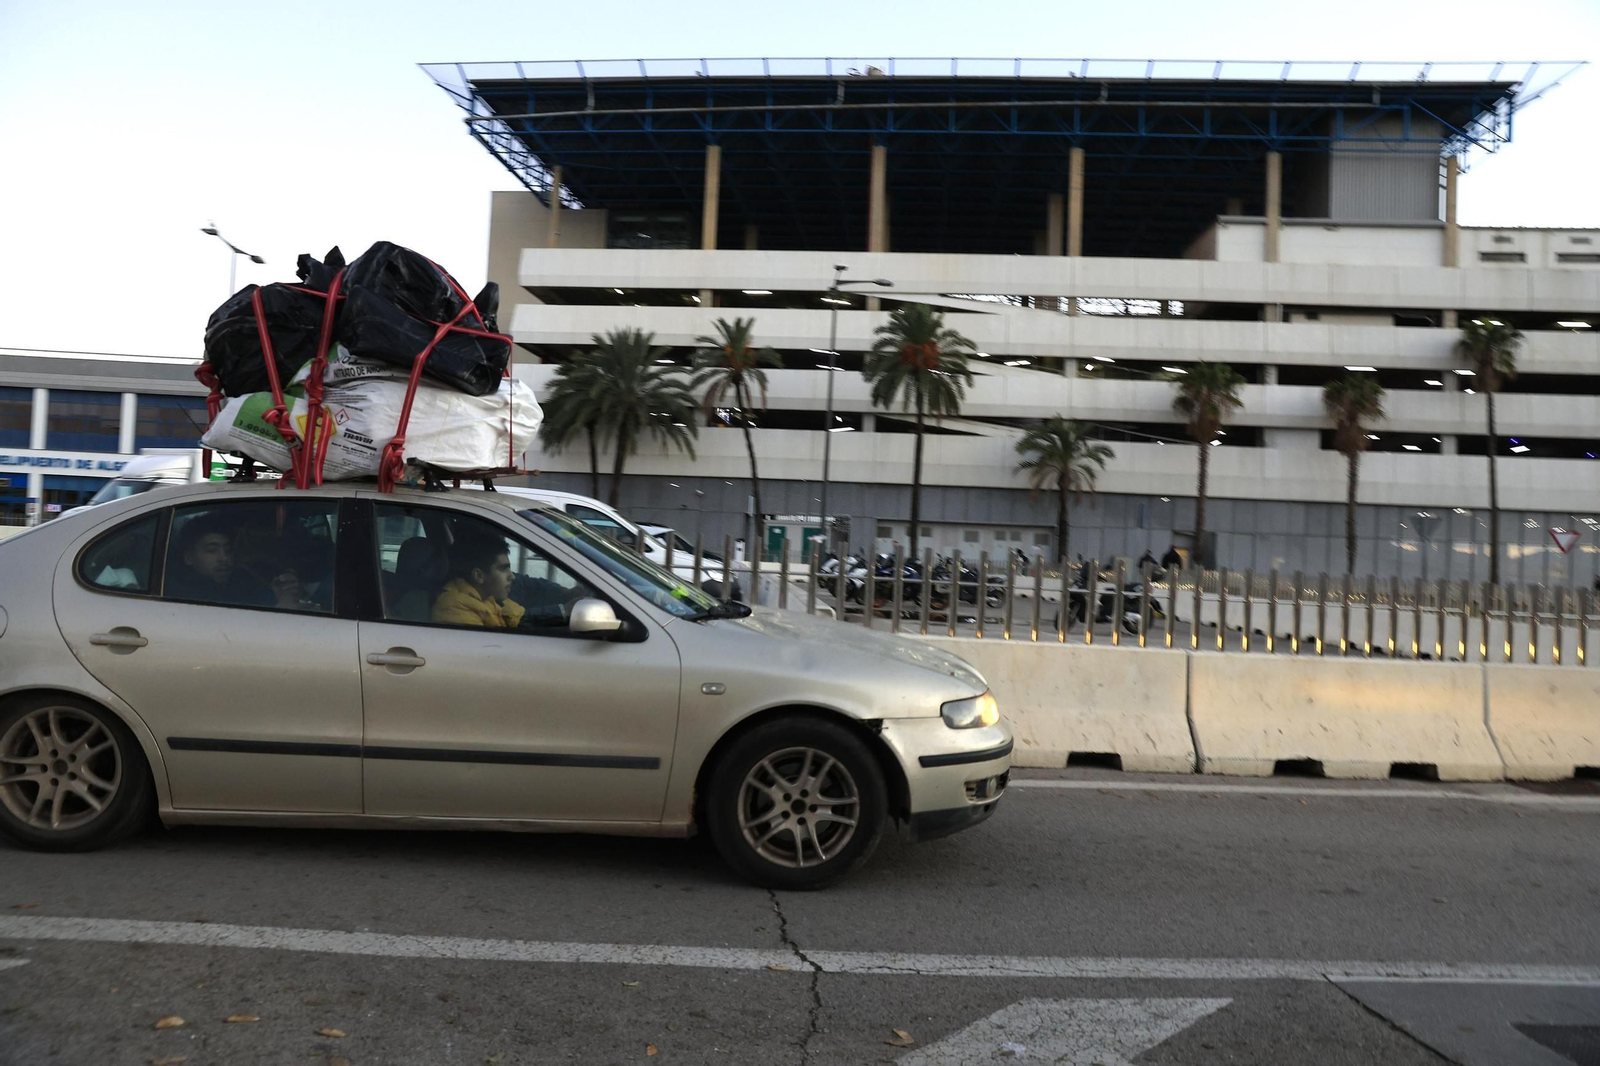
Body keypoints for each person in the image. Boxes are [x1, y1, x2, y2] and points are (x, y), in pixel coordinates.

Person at [166, 513, 273, 607]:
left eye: (228, 550)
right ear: (189, 558)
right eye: (211, 550)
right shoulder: (179, 597)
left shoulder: (245, 581)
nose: (224, 558)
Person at [432, 532, 526, 628]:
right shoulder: (454, 608)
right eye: (503, 569)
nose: (512, 576)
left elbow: (517, 617)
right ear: (479, 576)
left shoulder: (487, 597)